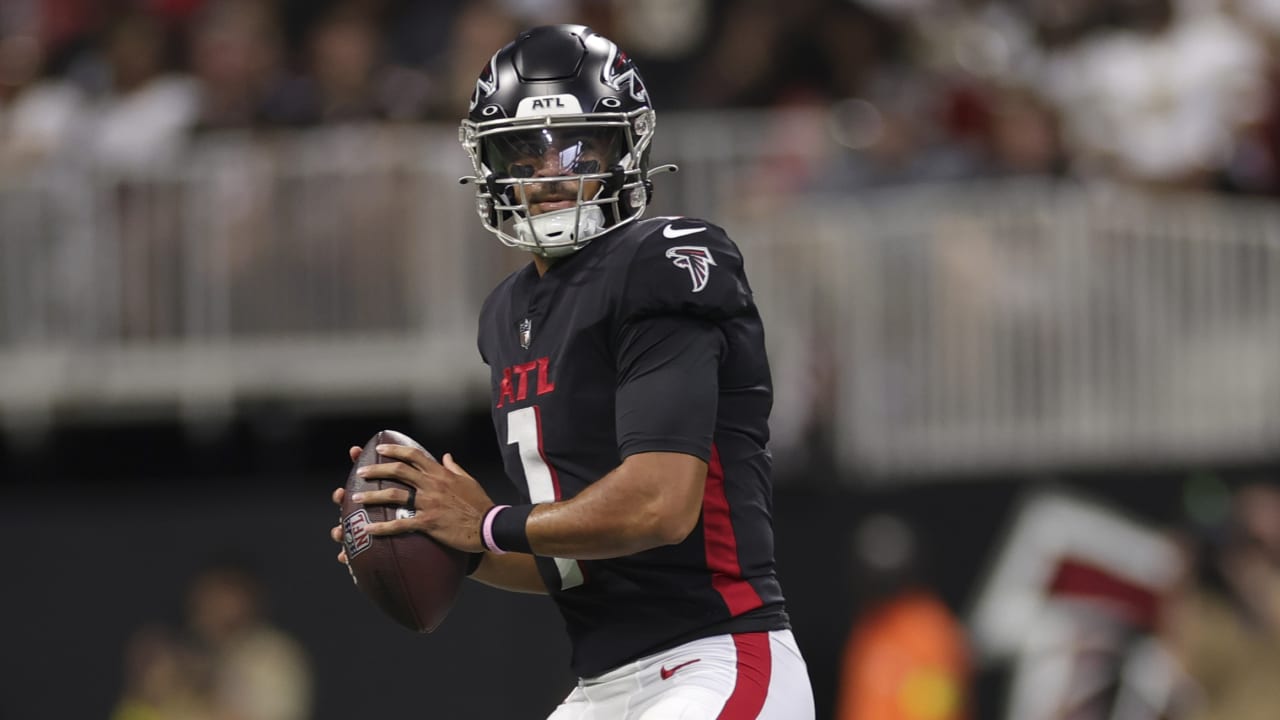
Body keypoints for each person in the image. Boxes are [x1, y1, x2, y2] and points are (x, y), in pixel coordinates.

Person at [328, 23, 814, 719]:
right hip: (601, 687)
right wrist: (442, 540)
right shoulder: (506, 314)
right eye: (523, 152)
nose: (551, 169)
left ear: (628, 144)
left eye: (577, 143)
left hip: (716, 657)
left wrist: (488, 523)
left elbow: (659, 505)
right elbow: (570, 560)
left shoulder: (663, 258)